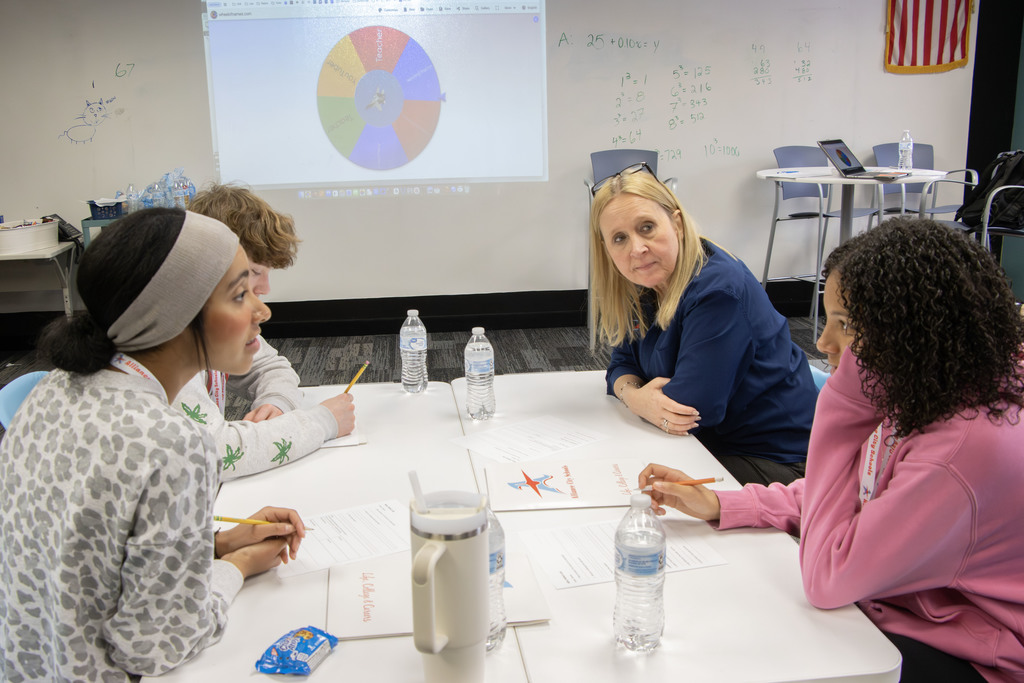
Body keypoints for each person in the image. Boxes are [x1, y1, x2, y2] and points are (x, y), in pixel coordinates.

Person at [640, 217, 1024, 682]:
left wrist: (841, 407)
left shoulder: (957, 450)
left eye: (843, 324)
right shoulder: (934, 388)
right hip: (914, 605)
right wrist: (725, 503)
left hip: (974, 658)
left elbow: (827, 578)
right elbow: (864, 497)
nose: (822, 343)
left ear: (909, 326)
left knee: (763, 645)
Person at [0, 208, 309, 681]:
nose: (262, 311)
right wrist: (239, 566)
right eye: (241, 294)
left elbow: (91, 558)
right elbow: (157, 645)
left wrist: (215, 544)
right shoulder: (172, 441)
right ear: (176, 316)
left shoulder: (54, 389)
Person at [591, 162, 818, 486]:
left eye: (646, 228)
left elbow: (689, 412)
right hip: (710, 443)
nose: (636, 249)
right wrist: (636, 397)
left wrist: (634, 394)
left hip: (774, 460)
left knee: (623, 487)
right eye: (619, 238)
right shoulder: (645, 280)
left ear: (677, 224)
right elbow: (621, 363)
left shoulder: (718, 290)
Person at [182, 183, 355, 479]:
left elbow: (271, 366)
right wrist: (322, 422)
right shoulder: (167, 351)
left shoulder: (212, 323)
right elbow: (215, 454)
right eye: (253, 273)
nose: (265, 292)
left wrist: (275, 403)